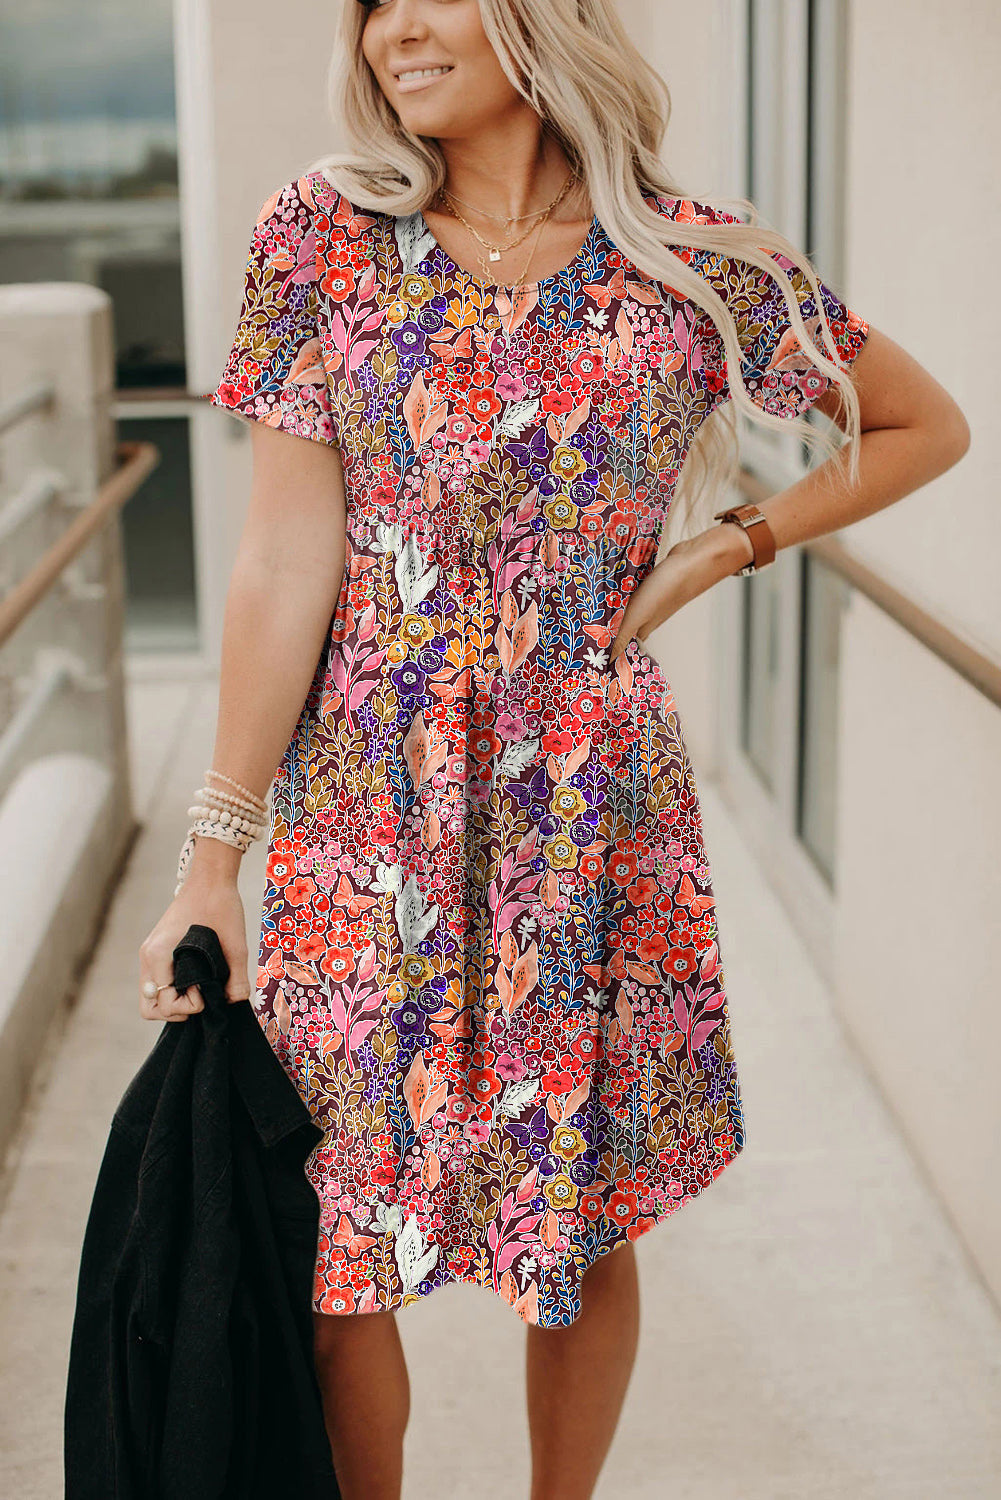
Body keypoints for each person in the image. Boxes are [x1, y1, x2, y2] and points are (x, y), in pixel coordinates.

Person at [138, 3, 969, 1498]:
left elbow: (919, 423)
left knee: (580, 1222)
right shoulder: (318, 236)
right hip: (364, 805)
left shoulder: (692, 259)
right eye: (371, 5)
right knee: (346, 1229)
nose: (393, 29)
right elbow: (279, 562)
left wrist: (726, 544)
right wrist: (213, 860)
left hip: (590, 806)